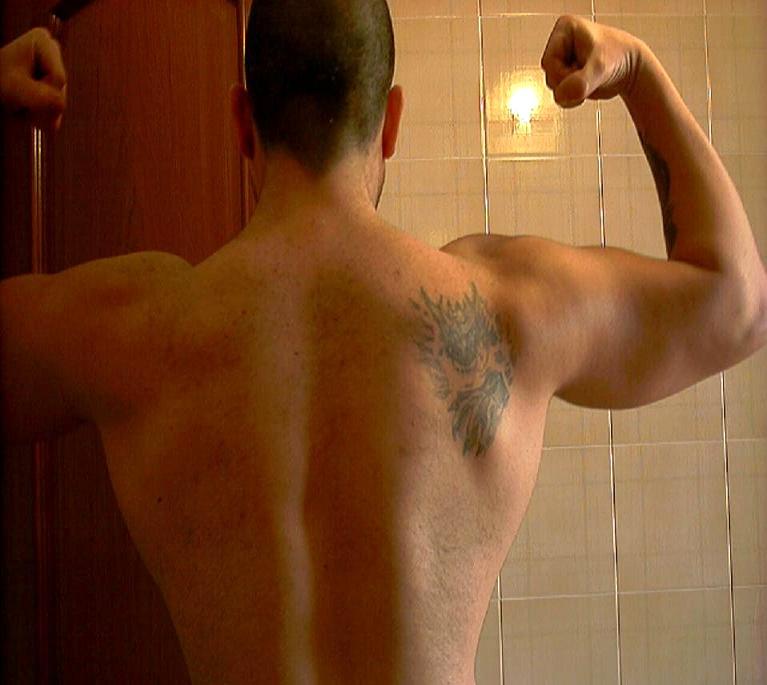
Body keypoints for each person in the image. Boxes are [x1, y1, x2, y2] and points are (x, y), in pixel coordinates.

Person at [1, 4, 765, 683]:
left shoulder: (135, 325)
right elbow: (738, 304)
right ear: (390, 120)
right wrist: (636, 70)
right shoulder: (503, 310)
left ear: (241, 120)